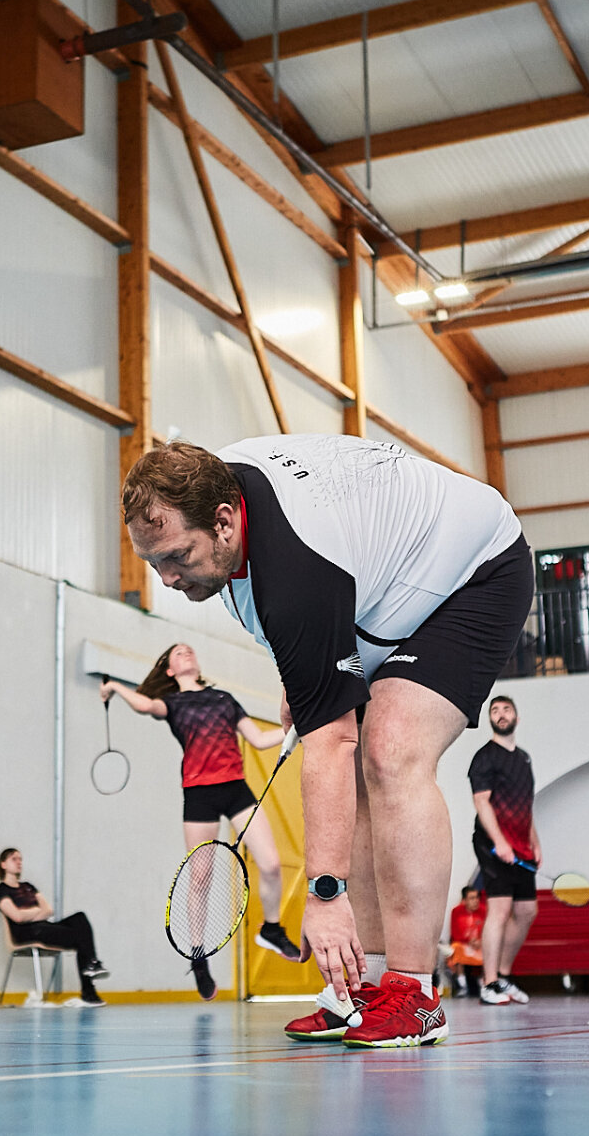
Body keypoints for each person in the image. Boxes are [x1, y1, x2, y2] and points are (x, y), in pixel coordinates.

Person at [121, 435, 533, 1049]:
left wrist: (325, 893)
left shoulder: (294, 566)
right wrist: (308, 682)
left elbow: (331, 741)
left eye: (177, 556)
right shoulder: (218, 507)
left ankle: (416, 994)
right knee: (359, 766)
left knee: (389, 748)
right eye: (152, 562)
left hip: (476, 573)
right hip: (382, 585)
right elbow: (310, 647)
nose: (167, 578)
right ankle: (362, 988)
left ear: (225, 522)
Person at [102, 644, 304, 1002]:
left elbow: (259, 740)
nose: (187, 653)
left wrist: (298, 729)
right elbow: (145, 705)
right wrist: (115, 686)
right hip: (199, 795)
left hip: (236, 789)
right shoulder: (172, 704)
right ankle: (198, 956)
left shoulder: (224, 699)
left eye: (190, 650)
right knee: (199, 878)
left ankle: (271, 929)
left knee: (272, 864)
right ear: (169, 670)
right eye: (178, 653)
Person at [468, 695, 541, 1006]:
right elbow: (481, 802)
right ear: (490, 719)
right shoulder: (485, 757)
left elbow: (525, 804)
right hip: (491, 844)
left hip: (521, 847)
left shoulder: (524, 759)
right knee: (499, 910)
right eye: (494, 710)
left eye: (506, 709)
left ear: (516, 717)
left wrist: (534, 841)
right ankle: (489, 983)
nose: (500, 714)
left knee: (526, 912)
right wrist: (499, 841)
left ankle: (504, 975)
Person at [0, 848, 109, 1006]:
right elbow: (17, 917)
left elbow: (48, 910)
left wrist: (30, 914)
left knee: (79, 919)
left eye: (20, 859)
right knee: (81, 937)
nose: (19, 862)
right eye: (14, 859)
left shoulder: (28, 887)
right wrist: (36, 911)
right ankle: (90, 987)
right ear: (3, 864)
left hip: (44, 928)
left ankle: (91, 966)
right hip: (26, 934)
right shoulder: (0, 891)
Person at [446, 886, 487, 999]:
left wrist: (480, 941)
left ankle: (485, 984)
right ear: (464, 900)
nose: (476, 901)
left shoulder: (484, 910)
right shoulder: (456, 911)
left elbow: (488, 931)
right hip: (463, 944)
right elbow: (454, 934)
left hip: (480, 944)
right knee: (456, 948)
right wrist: (469, 941)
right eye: (472, 898)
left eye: (477, 897)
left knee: (490, 949)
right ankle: (462, 986)